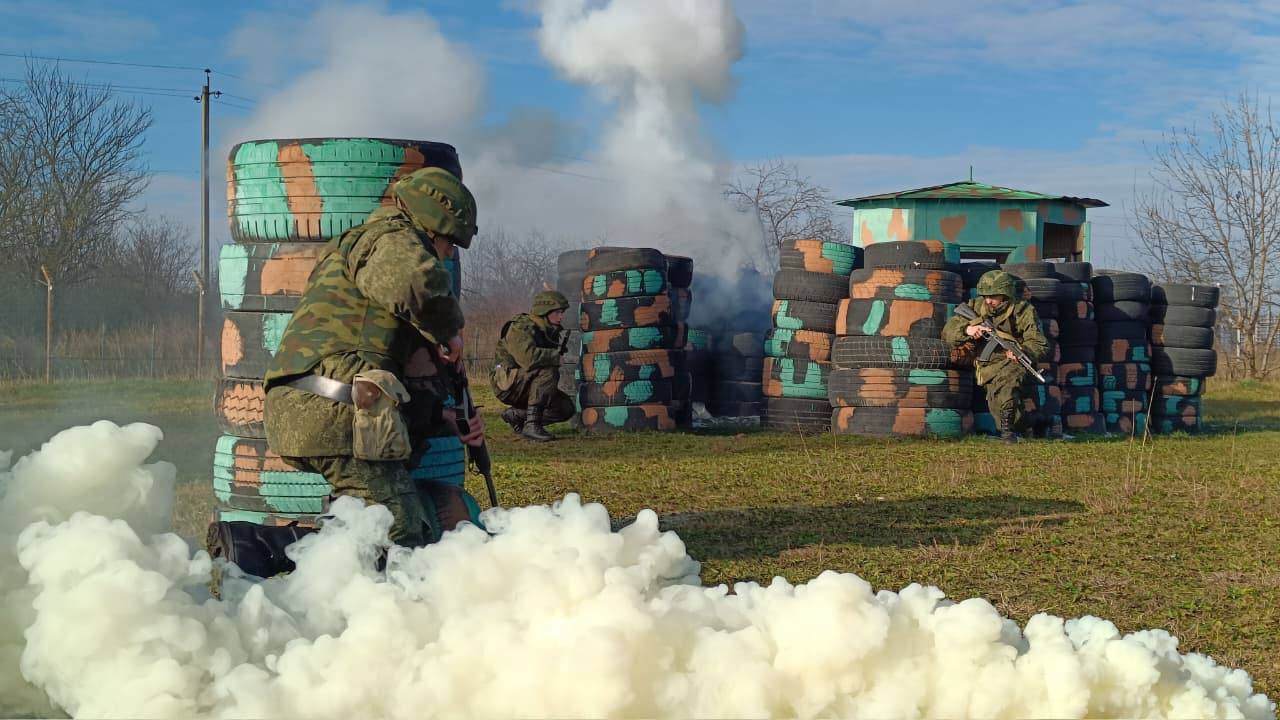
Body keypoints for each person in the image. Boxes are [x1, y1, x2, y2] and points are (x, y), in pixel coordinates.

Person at [262, 167, 483, 548]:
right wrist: (448, 331)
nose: (447, 255)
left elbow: (382, 381)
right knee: (395, 530)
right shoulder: (390, 237)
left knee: (360, 526)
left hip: (318, 403)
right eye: (449, 244)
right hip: (330, 407)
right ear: (432, 225)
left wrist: (444, 418)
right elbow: (415, 283)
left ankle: (263, 552)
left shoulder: (358, 247)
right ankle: (261, 556)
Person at [942, 269, 1047, 443]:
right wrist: (968, 330)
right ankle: (1033, 422)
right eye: (986, 296)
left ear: (1005, 294)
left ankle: (1007, 434)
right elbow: (948, 332)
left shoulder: (1022, 310)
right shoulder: (975, 306)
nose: (989, 301)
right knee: (999, 409)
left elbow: (1039, 343)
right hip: (987, 366)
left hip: (1013, 362)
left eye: (994, 296)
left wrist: (1023, 351)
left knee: (1006, 390)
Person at [491, 290, 576, 442]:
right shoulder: (520, 328)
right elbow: (528, 359)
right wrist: (555, 356)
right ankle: (532, 425)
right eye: (557, 312)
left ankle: (517, 416)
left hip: (527, 382)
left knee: (565, 408)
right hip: (507, 384)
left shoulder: (548, 330)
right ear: (544, 311)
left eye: (562, 312)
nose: (561, 316)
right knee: (548, 370)